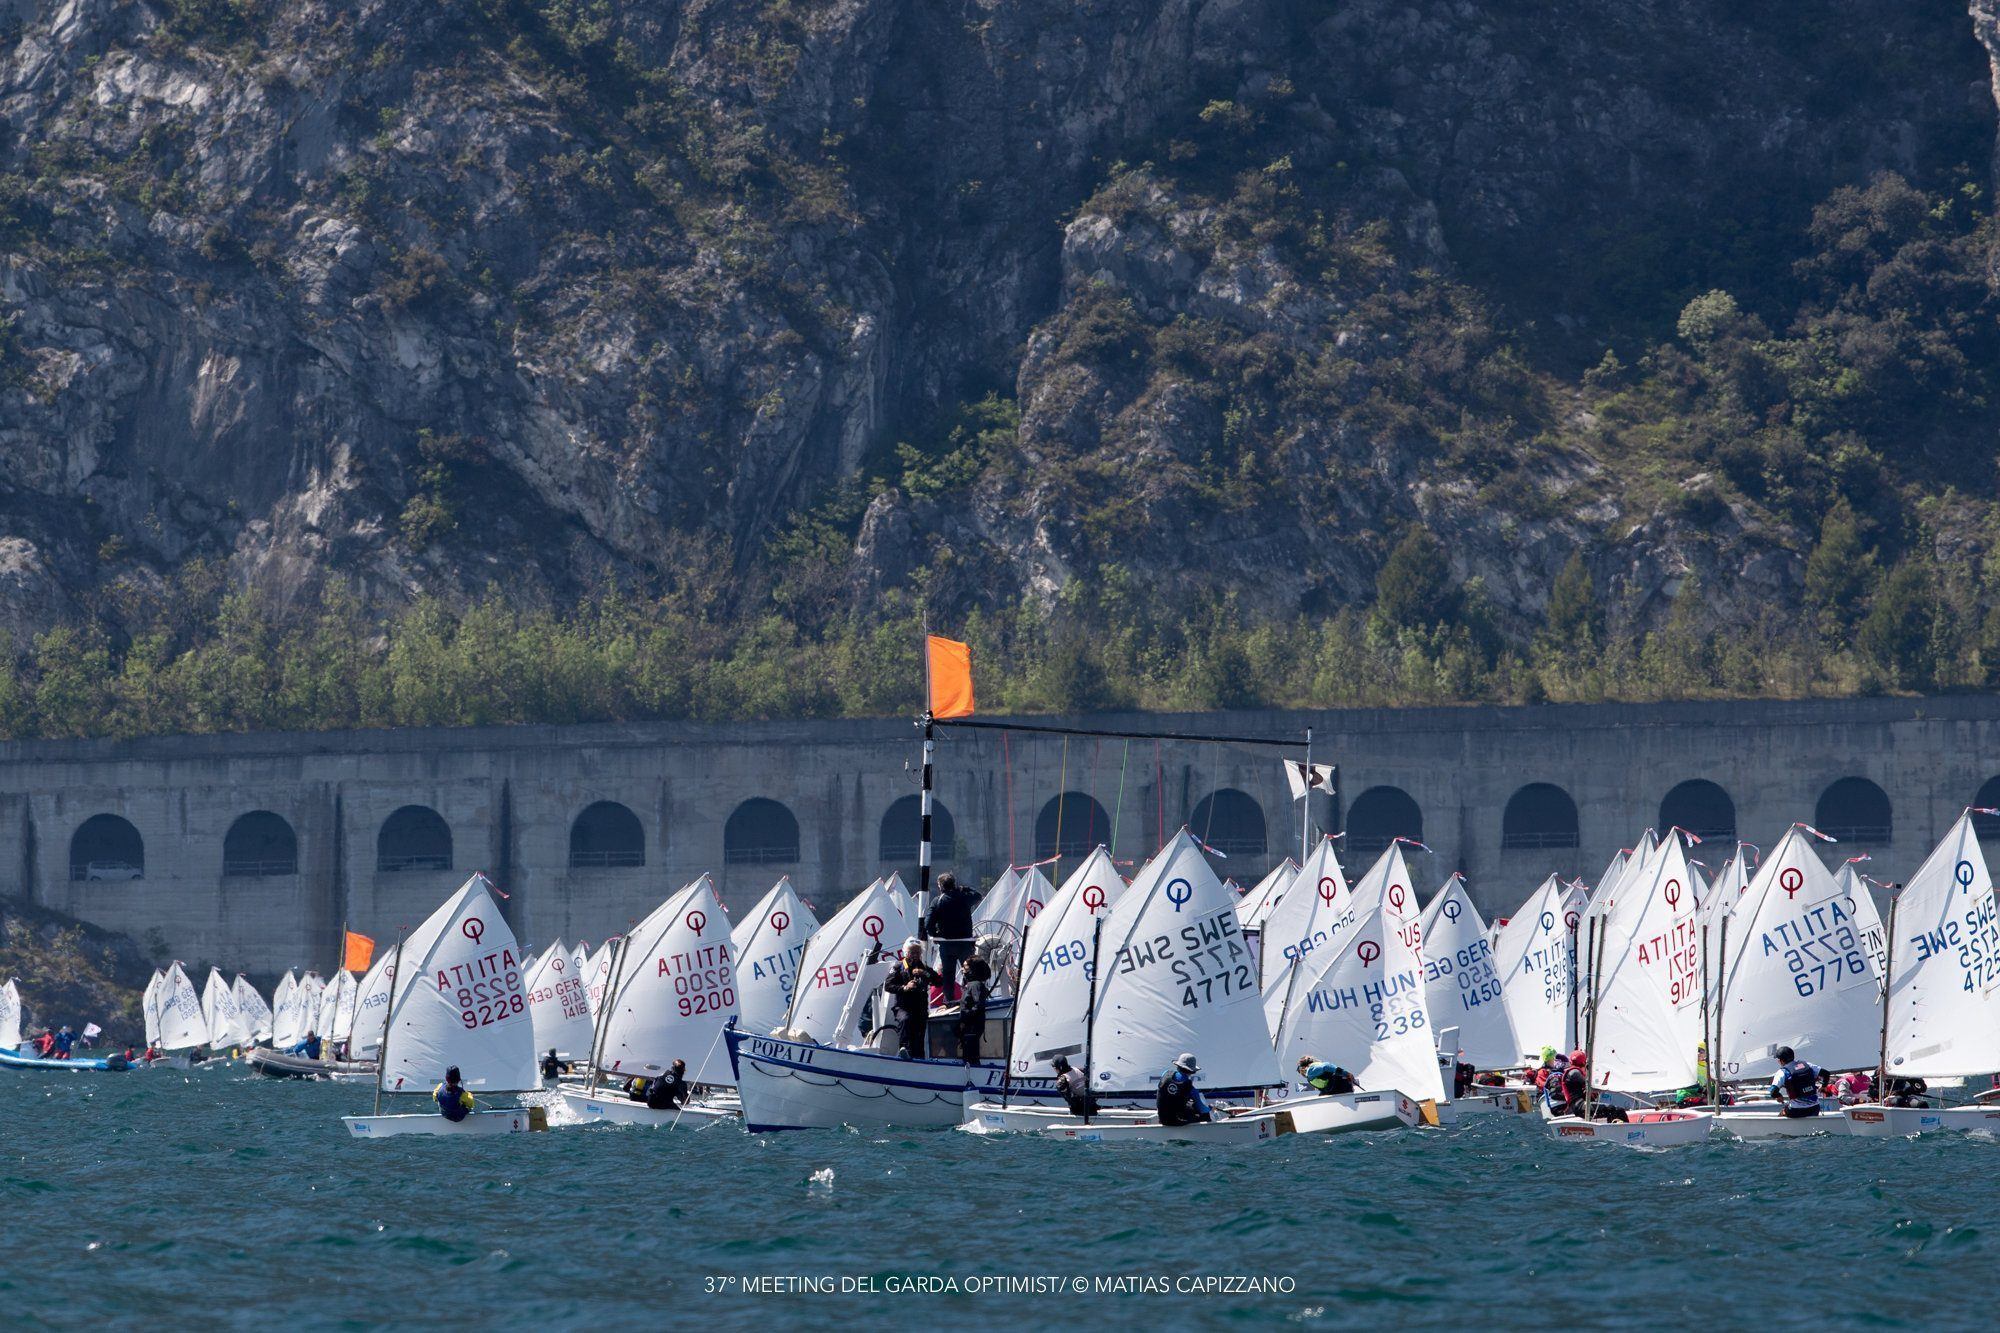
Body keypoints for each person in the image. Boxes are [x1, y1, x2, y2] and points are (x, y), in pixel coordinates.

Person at [923, 873, 982, 1000]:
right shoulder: (964, 897)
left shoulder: (937, 901)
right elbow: (978, 896)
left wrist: (936, 934)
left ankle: (949, 1001)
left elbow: (928, 924)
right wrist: (964, 888)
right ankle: (971, 999)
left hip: (946, 944)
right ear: (954, 884)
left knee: (948, 975)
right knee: (970, 973)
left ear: (940, 886)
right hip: (965, 943)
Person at [883, 940, 942, 1059]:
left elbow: (938, 982)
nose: (915, 955)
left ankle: (919, 1057)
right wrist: (905, 987)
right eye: (912, 952)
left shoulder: (924, 967)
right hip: (903, 1006)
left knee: (919, 1031)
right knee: (906, 1020)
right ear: (906, 953)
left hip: (920, 1007)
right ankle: (904, 1049)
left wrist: (924, 973)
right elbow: (888, 986)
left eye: (917, 952)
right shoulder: (898, 967)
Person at [1156, 1052, 1213, 1127]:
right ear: (1191, 1071)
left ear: (1178, 1066)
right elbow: (1202, 1109)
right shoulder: (1190, 1088)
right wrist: (1210, 1108)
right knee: (1205, 1115)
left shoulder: (1165, 1074)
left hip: (1162, 1119)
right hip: (1176, 1121)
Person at [1769, 1046, 1824, 1118]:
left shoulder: (1782, 1072)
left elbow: (1773, 1091)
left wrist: (1779, 1096)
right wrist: (1824, 1085)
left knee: (1782, 1113)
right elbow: (1825, 1074)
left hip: (1796, 1111)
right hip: (1814, 1108)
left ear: (1781, 1061)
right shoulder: (1807, 1065)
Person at [957, 957, 992, 1064]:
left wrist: (965, 1019)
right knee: (970, 1054)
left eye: (965, 967)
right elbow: (967, 1001)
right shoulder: (973, 984)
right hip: (971, 1026)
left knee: (970, 1056)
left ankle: (972, 1074)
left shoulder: (975, 985)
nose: (962, 969)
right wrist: (948, 1004)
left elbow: (978, 1004)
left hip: (972, 1027)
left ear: (973, 969)